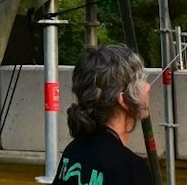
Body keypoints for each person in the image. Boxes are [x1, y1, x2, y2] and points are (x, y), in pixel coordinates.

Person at [53, 44, 152, 185]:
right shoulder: (129, 169)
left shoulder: (73, 153)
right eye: (141, 80)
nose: (148, 87)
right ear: (123, 100)